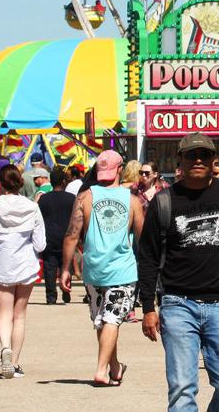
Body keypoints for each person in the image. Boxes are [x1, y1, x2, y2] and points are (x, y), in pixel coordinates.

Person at [137, 133, 219, 412]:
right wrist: (148, 308)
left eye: (204, 155)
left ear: (214, 160)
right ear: (180, 160)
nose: (198, 160)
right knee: (182, 389)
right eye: (192, 155)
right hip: (178, 305)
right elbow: (148, 257)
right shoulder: (164, 201)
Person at [61, 149, 145, 386]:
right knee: (111, 319)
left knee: (104, 318)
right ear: (120, 170)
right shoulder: (132, 201)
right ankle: (100, 370)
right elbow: (144, 238)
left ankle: (114, 366)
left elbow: (71, 235)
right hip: (122, 269)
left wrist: (65, 269)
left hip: (93, 269)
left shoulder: (84, 198)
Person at [0, 164, 46, 378]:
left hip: (2, 260)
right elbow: (40, 243)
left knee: (4, 313)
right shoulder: (32, 206)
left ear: (0, 183)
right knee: (20, 316)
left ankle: (5, 347)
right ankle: (16, 362)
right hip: (26, 262)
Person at [38, 166, 77, 305]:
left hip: (49, 236)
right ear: (64, 181)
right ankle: (66, 290)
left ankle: (51, 296)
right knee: (66, 264)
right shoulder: (71, 198)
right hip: (66, 237)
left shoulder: (43, 199)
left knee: (49, 267)